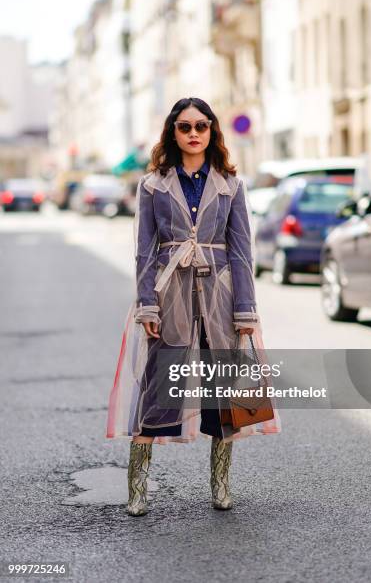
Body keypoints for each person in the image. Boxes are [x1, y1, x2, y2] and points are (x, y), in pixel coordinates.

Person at [106, 97, 280, 516]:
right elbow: (144, 250)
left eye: (201, 126)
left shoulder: (231, 186)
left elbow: (242, 253)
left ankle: (220, 484)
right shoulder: (152, 185)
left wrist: (245, 311)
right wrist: (147, 304)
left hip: (219, 299)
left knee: (224, 396)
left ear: (212, 132)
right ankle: (138, 488)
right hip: (170, 298)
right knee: (157, 390)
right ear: (173, 132)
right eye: (185, 127)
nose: (194, 133)